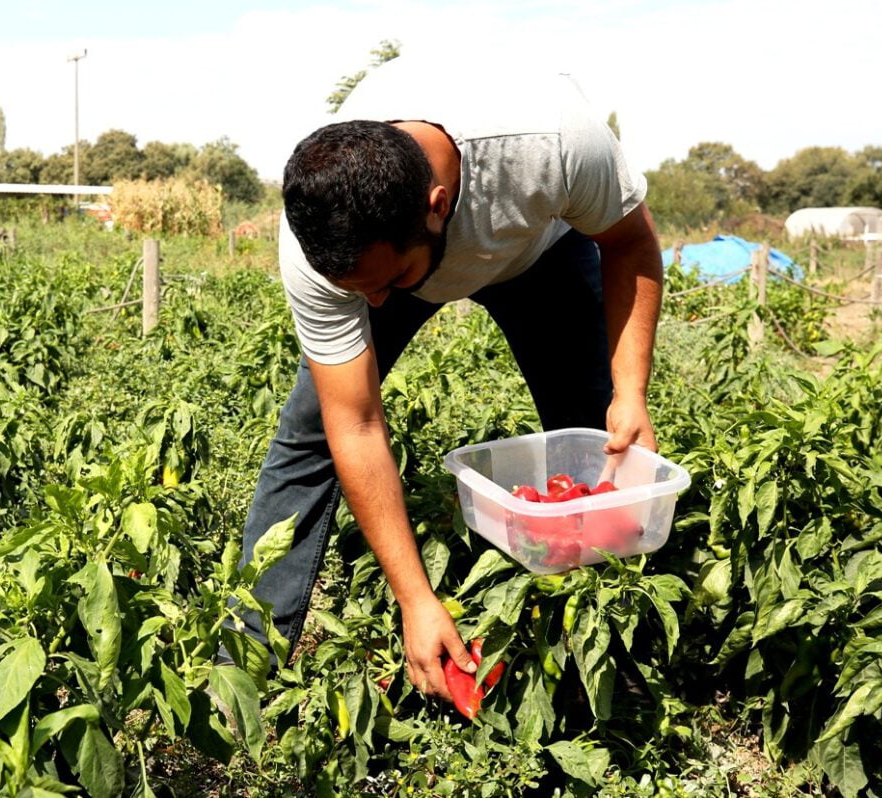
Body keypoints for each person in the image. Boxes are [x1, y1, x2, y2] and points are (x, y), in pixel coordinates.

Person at [238, 57, 663, 701]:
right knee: (310, 437)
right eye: (358, 290)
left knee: (595, 431)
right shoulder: (322, 247)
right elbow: (355, 421)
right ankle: (245, 664)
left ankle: (610, 664)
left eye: (387, 283)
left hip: (537, 250)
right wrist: (416, 599)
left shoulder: (554, 143)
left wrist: (629, 394)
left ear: (437, 205)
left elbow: (630, 242)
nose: (375, 305)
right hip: (401, 249)